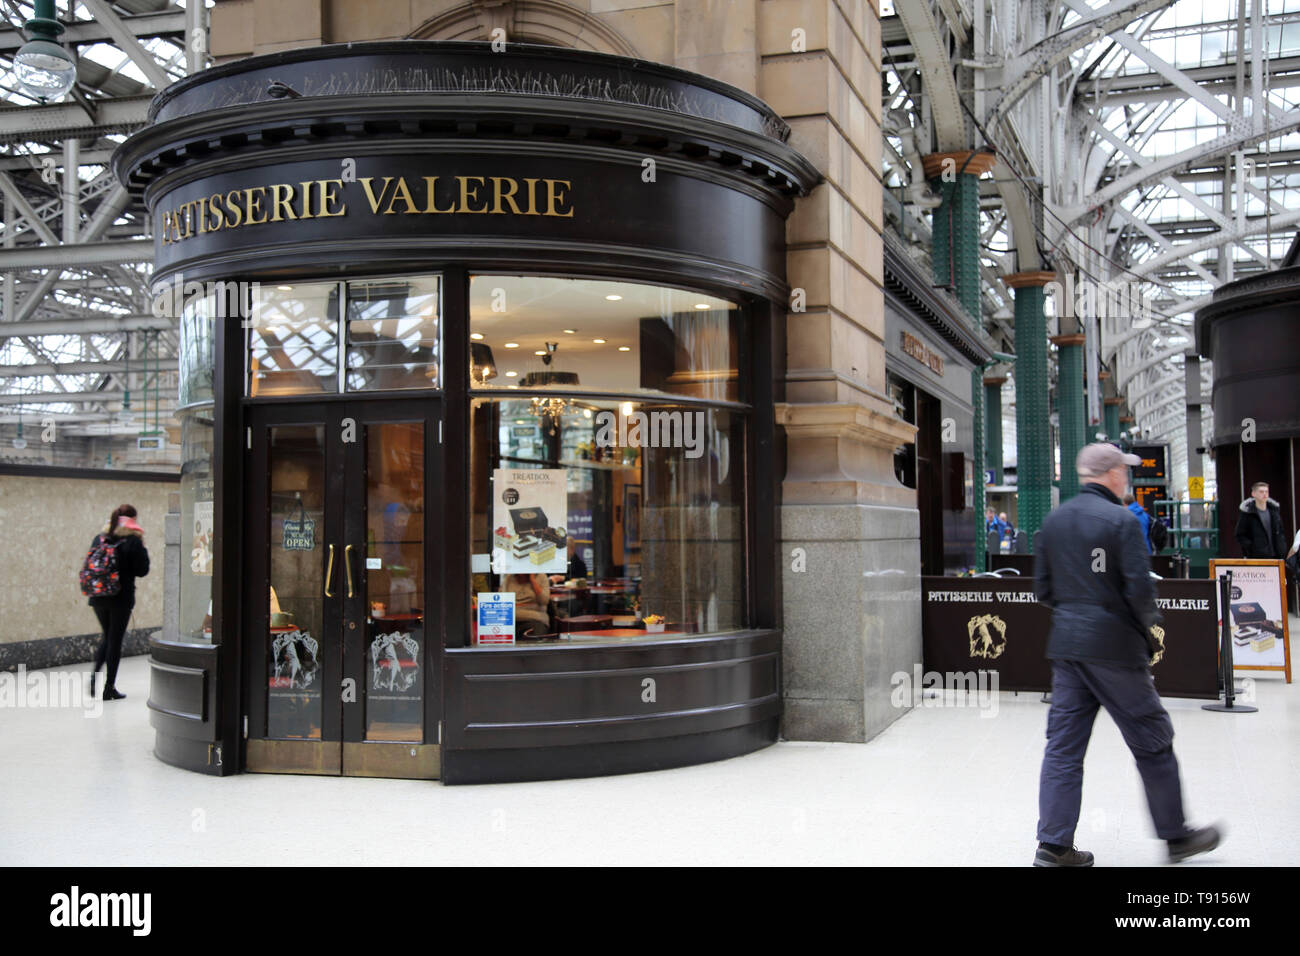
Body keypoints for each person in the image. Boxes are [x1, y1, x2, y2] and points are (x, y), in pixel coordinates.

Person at [1032, 443, 1221, 866]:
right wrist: (1150, 631)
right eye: (1125, 471)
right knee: (1152, 740)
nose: (1129, 478)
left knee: (1062, 748)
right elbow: (1139, 589)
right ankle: (1176, 837)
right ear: (1113, 474)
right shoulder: (1121, 521)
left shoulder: (1054, 521)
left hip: (1067, 649)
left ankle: (1053, 846)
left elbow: (1042, 590)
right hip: (1115, 649)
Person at [87, 504, 151, 700]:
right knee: (114, 640)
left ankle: (94, 677)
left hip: (98, 596)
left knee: (108, 637)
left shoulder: (100, 538)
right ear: (133, 519)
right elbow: (142, 570)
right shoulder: (132, 540)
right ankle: (109, 687)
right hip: (120, 598)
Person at [1234, 481, 1286, 559]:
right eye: (1261, 492)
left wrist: (1282, 547)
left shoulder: (1274, 512)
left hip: (1276, 556)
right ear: (1253, 494)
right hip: (1257, 557)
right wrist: (1252, 548)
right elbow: (1240, 534)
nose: (1264, 494)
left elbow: (1281, 531)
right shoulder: (1248, 512)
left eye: (1266, 492)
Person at [507, 573, 552, 638]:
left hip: (534, 620)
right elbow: (502, 600)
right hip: (511, 620)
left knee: (536, 635)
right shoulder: (509, 577)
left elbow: (544, 601)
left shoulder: (541, 576)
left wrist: (532, 580)